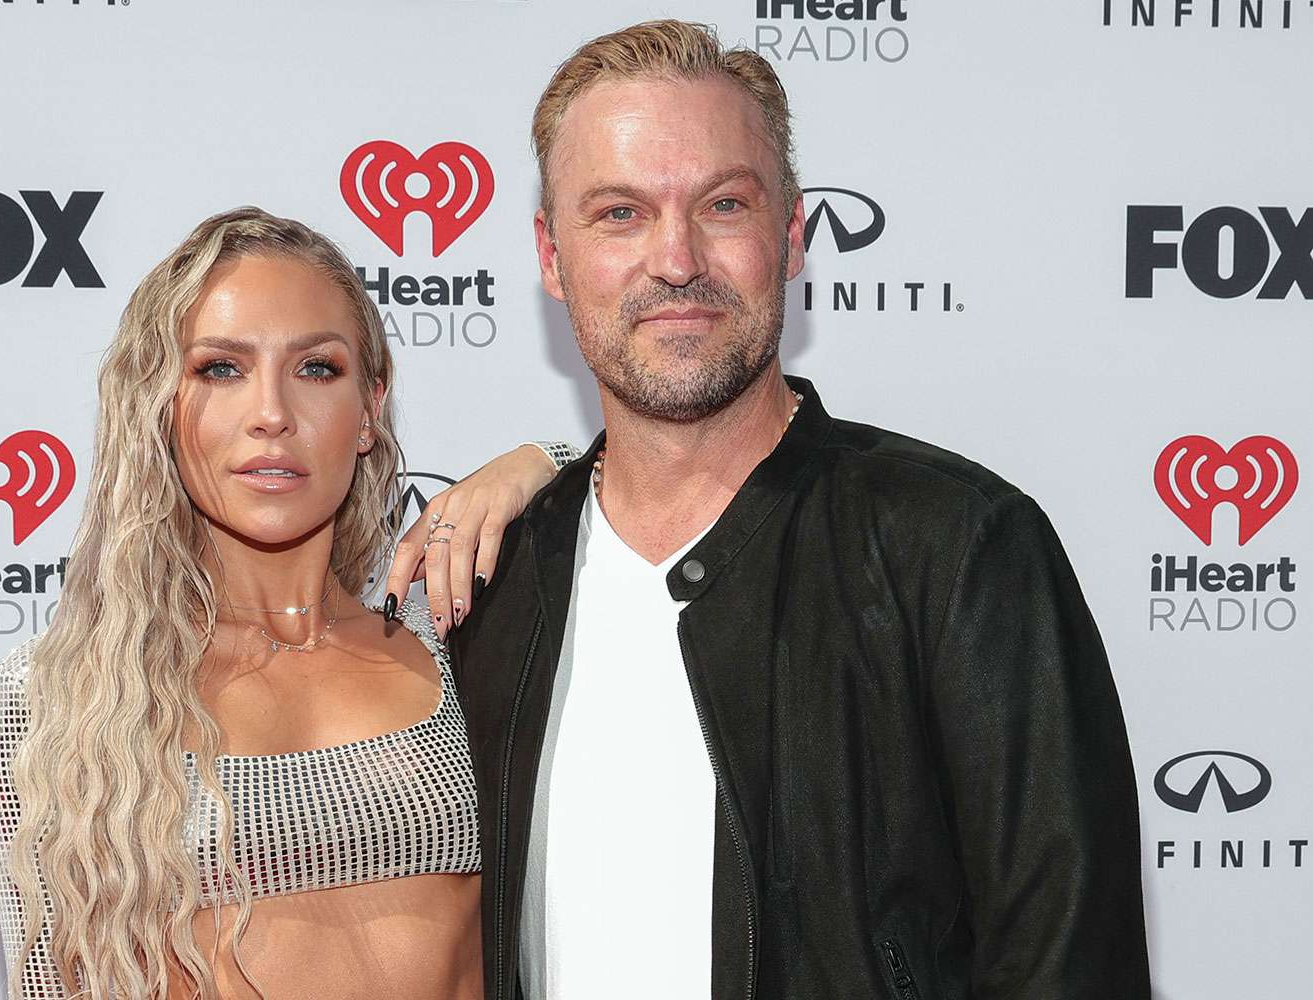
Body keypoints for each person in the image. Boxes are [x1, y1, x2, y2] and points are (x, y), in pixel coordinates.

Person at [449, 20, 1152, 1000]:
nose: (677, 258)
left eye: (723, 203)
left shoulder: (959, 548)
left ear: (790, 237)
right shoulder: (495, 575)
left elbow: (1070, 964)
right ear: (552, 256)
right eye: (619, 213)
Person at [0, 207, 576, 1000]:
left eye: (317, 369)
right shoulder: (68, 694)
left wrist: (545, 464)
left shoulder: (460, 639)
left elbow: (678, 508)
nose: (272, 414)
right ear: (162, 405)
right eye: (220, 369)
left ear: (370, 408)